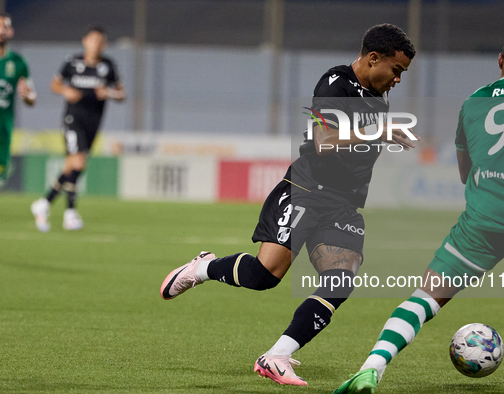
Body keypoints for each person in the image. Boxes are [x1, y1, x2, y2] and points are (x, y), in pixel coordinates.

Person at [334, 29, 504, 394]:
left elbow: (464, 172)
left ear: (500, 61)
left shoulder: (473, 102)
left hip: (483, 221)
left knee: (424, 297)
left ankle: (370, 367)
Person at [160, 23, 418, 386]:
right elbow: (323, 140)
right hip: (306, 191)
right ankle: (202, 268)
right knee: (264, 277)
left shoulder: (377, 95)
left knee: (340, 281)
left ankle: (278, 355)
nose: (398, 80)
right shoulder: (335, 84)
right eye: (396, 70)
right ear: (373, 58)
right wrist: (382, 131)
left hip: (343, 205)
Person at [30, 25, 125, 232]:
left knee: (71, 166)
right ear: (85, 41)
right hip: (72, 119)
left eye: (100, 41)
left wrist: (108, 92)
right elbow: (54, 85)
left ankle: (44, 203)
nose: (96, 45)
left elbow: (121, 94)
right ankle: (70, 213)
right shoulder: (72, 62)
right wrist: (65, 90)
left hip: (93, 123)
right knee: (79, 162)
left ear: (104, 45)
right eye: (93, 40)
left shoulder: (108, 66)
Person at [0, 12, 36, 187]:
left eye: (4, 27)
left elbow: (32, 98)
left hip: (3, 131)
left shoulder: (18, 63)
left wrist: (27, 96)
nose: (0, 30)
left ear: (11, 32)